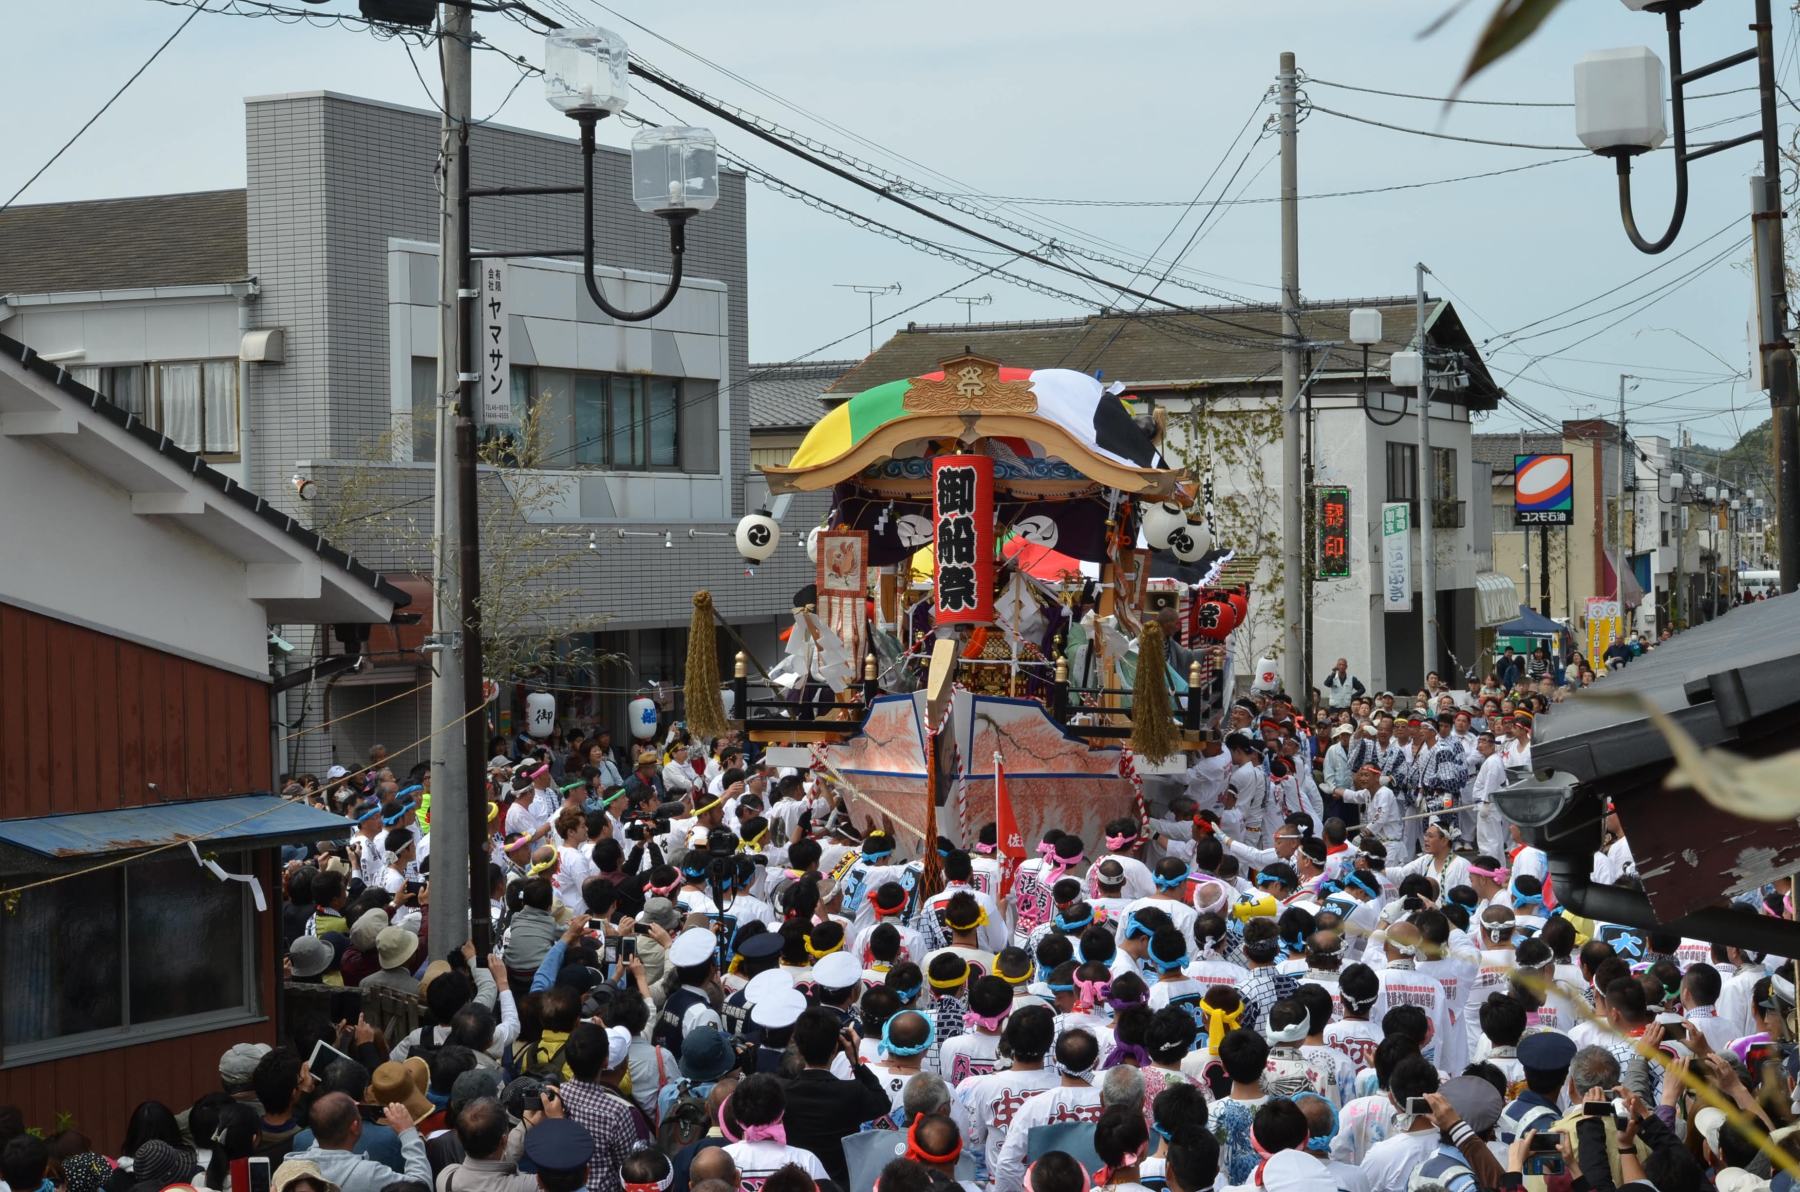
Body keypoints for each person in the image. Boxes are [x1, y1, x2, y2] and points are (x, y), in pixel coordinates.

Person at [285, 1093, 432, 1192]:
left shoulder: (289, 1169)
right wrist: (408, 1132)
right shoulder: (368, 1175)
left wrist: (336, 1112)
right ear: (354, 1127)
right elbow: (421, 1186)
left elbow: (324, 1131)